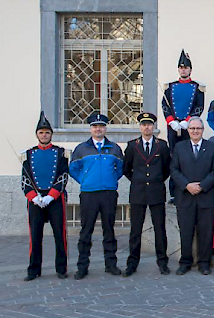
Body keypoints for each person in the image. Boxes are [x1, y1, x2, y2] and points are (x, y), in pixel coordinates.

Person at [69, 113, 124, 280]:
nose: (98, 129)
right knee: (86, 230)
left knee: (109, 229)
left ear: (105, 128)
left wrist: (111, 180)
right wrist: (85, 181)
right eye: (94, 126)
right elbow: (73, 169)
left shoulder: (114, 148)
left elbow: (120, 169)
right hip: (89, 194)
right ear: (90, 128)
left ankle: (111, 264)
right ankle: (82, 266)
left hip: (108, 193)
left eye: (101, 126)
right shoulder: (81, 149)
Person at [170, 117, 214, 275]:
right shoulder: (179, 147)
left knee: (205, 232)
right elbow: (174, 170)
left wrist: (202, 186)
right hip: (185, 196)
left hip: (206, 196)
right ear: (188, 130)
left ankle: (204, 263)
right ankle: (185, 262)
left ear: (203, 130)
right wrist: (187, 185)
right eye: (192, 128)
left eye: (198, 129)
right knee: (185, 231)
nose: (195, 131)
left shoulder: (212, 147)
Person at [122, 112, 171, 277]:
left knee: (160, 229)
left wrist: (155, 181)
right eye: (143, 124)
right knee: (135, 230)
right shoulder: (132, 146)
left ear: (154, 127)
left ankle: (162, 262)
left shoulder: (162, 146)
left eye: (149, 124)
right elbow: (126, 169)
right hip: (138, 192)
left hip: (156, 192)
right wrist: (138, 180)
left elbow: (166, 169)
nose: (146, 127)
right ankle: (132, 263)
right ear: (140, 127)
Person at [22, 112, 69, 281]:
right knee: (35, 235)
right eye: (41, 132)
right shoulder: (28, 154)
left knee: (59, 234)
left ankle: (61, 268)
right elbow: (25, 180)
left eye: (47, 132)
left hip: (55, 199)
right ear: (37, 135)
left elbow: (63, 177)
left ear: (51, 135)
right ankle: (34, 269)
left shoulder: (61, 153)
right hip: (36, 200)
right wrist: (33, 197)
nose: (44, 135)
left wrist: (51, 196)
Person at [162, 49, 205, 203]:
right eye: (181, 68)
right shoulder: (169, 87)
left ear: (190, 69)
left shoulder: (197, 87)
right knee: (174, 157)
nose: (183, 70)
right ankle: (174, 191)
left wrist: (187, 120)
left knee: (190, 156)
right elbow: (165, 106)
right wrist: (171, 121)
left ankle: (191, 185)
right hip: (173, 127)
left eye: (186, 67)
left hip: (189, 126)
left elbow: (199, 107)